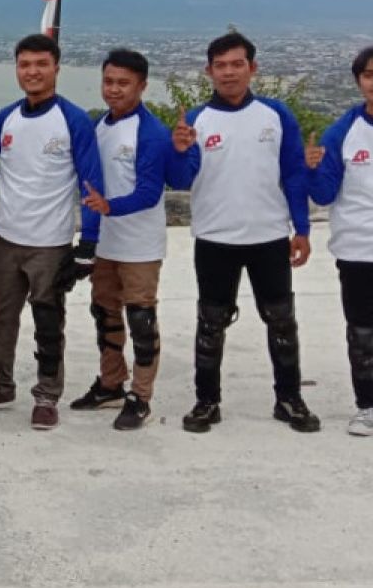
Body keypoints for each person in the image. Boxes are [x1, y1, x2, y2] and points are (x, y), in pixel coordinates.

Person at [167, 31, 318, 433]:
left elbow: (294, 174)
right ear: (209, 71)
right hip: (215, 237)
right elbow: (181, 179)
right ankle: (206, 401)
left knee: (281, 321)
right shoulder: (197, 120)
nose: (229, 72)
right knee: (210, 323)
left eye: (237, 64)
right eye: (221, 65)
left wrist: (301, 228)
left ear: (253, 68)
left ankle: (289, 399)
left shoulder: (277, 115)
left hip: (269, 235)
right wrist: (179, 149)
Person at [0, 34, 103, 431]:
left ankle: (47, 394)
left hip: (50, 241)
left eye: (41, 64)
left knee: (49, 319)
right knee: (1, 317)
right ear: (16, 68)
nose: (32, 72)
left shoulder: (72, 119)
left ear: (56, 67)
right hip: (6, 236)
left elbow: (92, 182)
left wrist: (88, 242)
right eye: (25, 65)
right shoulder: (6, 117)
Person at [72, 50, 172, 430]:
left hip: (140, 246)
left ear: (142, 86)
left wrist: (107, 206)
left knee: (141, 319)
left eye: (123, 83)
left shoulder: (151, 132)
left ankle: (141, 396)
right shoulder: (101, 126)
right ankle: (111, 382)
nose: (113, 90)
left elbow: (149, 192)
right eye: (108, 81)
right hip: (106, 244)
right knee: (105, 313)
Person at [305, 45, 373, 436]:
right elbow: (325, 194)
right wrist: (313, 169)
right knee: (363, 333)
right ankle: (367, 404)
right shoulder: (343, 130)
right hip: (358, 248)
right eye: (368, 75)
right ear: (359, 81)